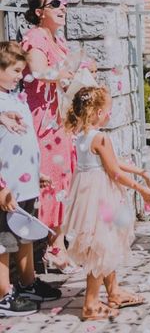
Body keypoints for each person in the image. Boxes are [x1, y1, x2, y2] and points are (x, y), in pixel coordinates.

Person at [62, 86, 150, 320]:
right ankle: (91, 305)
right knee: (100, 247)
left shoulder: (82, 135)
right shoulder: (101, 137)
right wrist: (141, 188)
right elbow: (114, 172)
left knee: (103, 241)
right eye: (107, 110)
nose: (109, 115)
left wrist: (140, 171)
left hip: (86, 197)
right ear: (95, 111)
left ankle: (113, 292)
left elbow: (113, 162)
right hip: (101, 196)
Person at [0, 42, 61, 317]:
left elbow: (24, 141)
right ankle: (4, 294)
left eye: (21, 70)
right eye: (14, 70)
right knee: (3, 242)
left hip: (24, 183)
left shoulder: (15, 98)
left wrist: (36, 172)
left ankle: (27, 283)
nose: (18, 76)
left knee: (23, 237)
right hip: (6, 188)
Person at [20, 0, 77, 272]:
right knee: (49, 181)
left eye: (64, 3)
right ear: (39, 11)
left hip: (60, 120)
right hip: (44, 121)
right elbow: (37, 70)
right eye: (55, 3)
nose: (62, 7)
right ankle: (45, 251)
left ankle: (57, 246)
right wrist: (64, 74)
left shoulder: (58, 41)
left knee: (63, 180)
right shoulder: (36, 38)